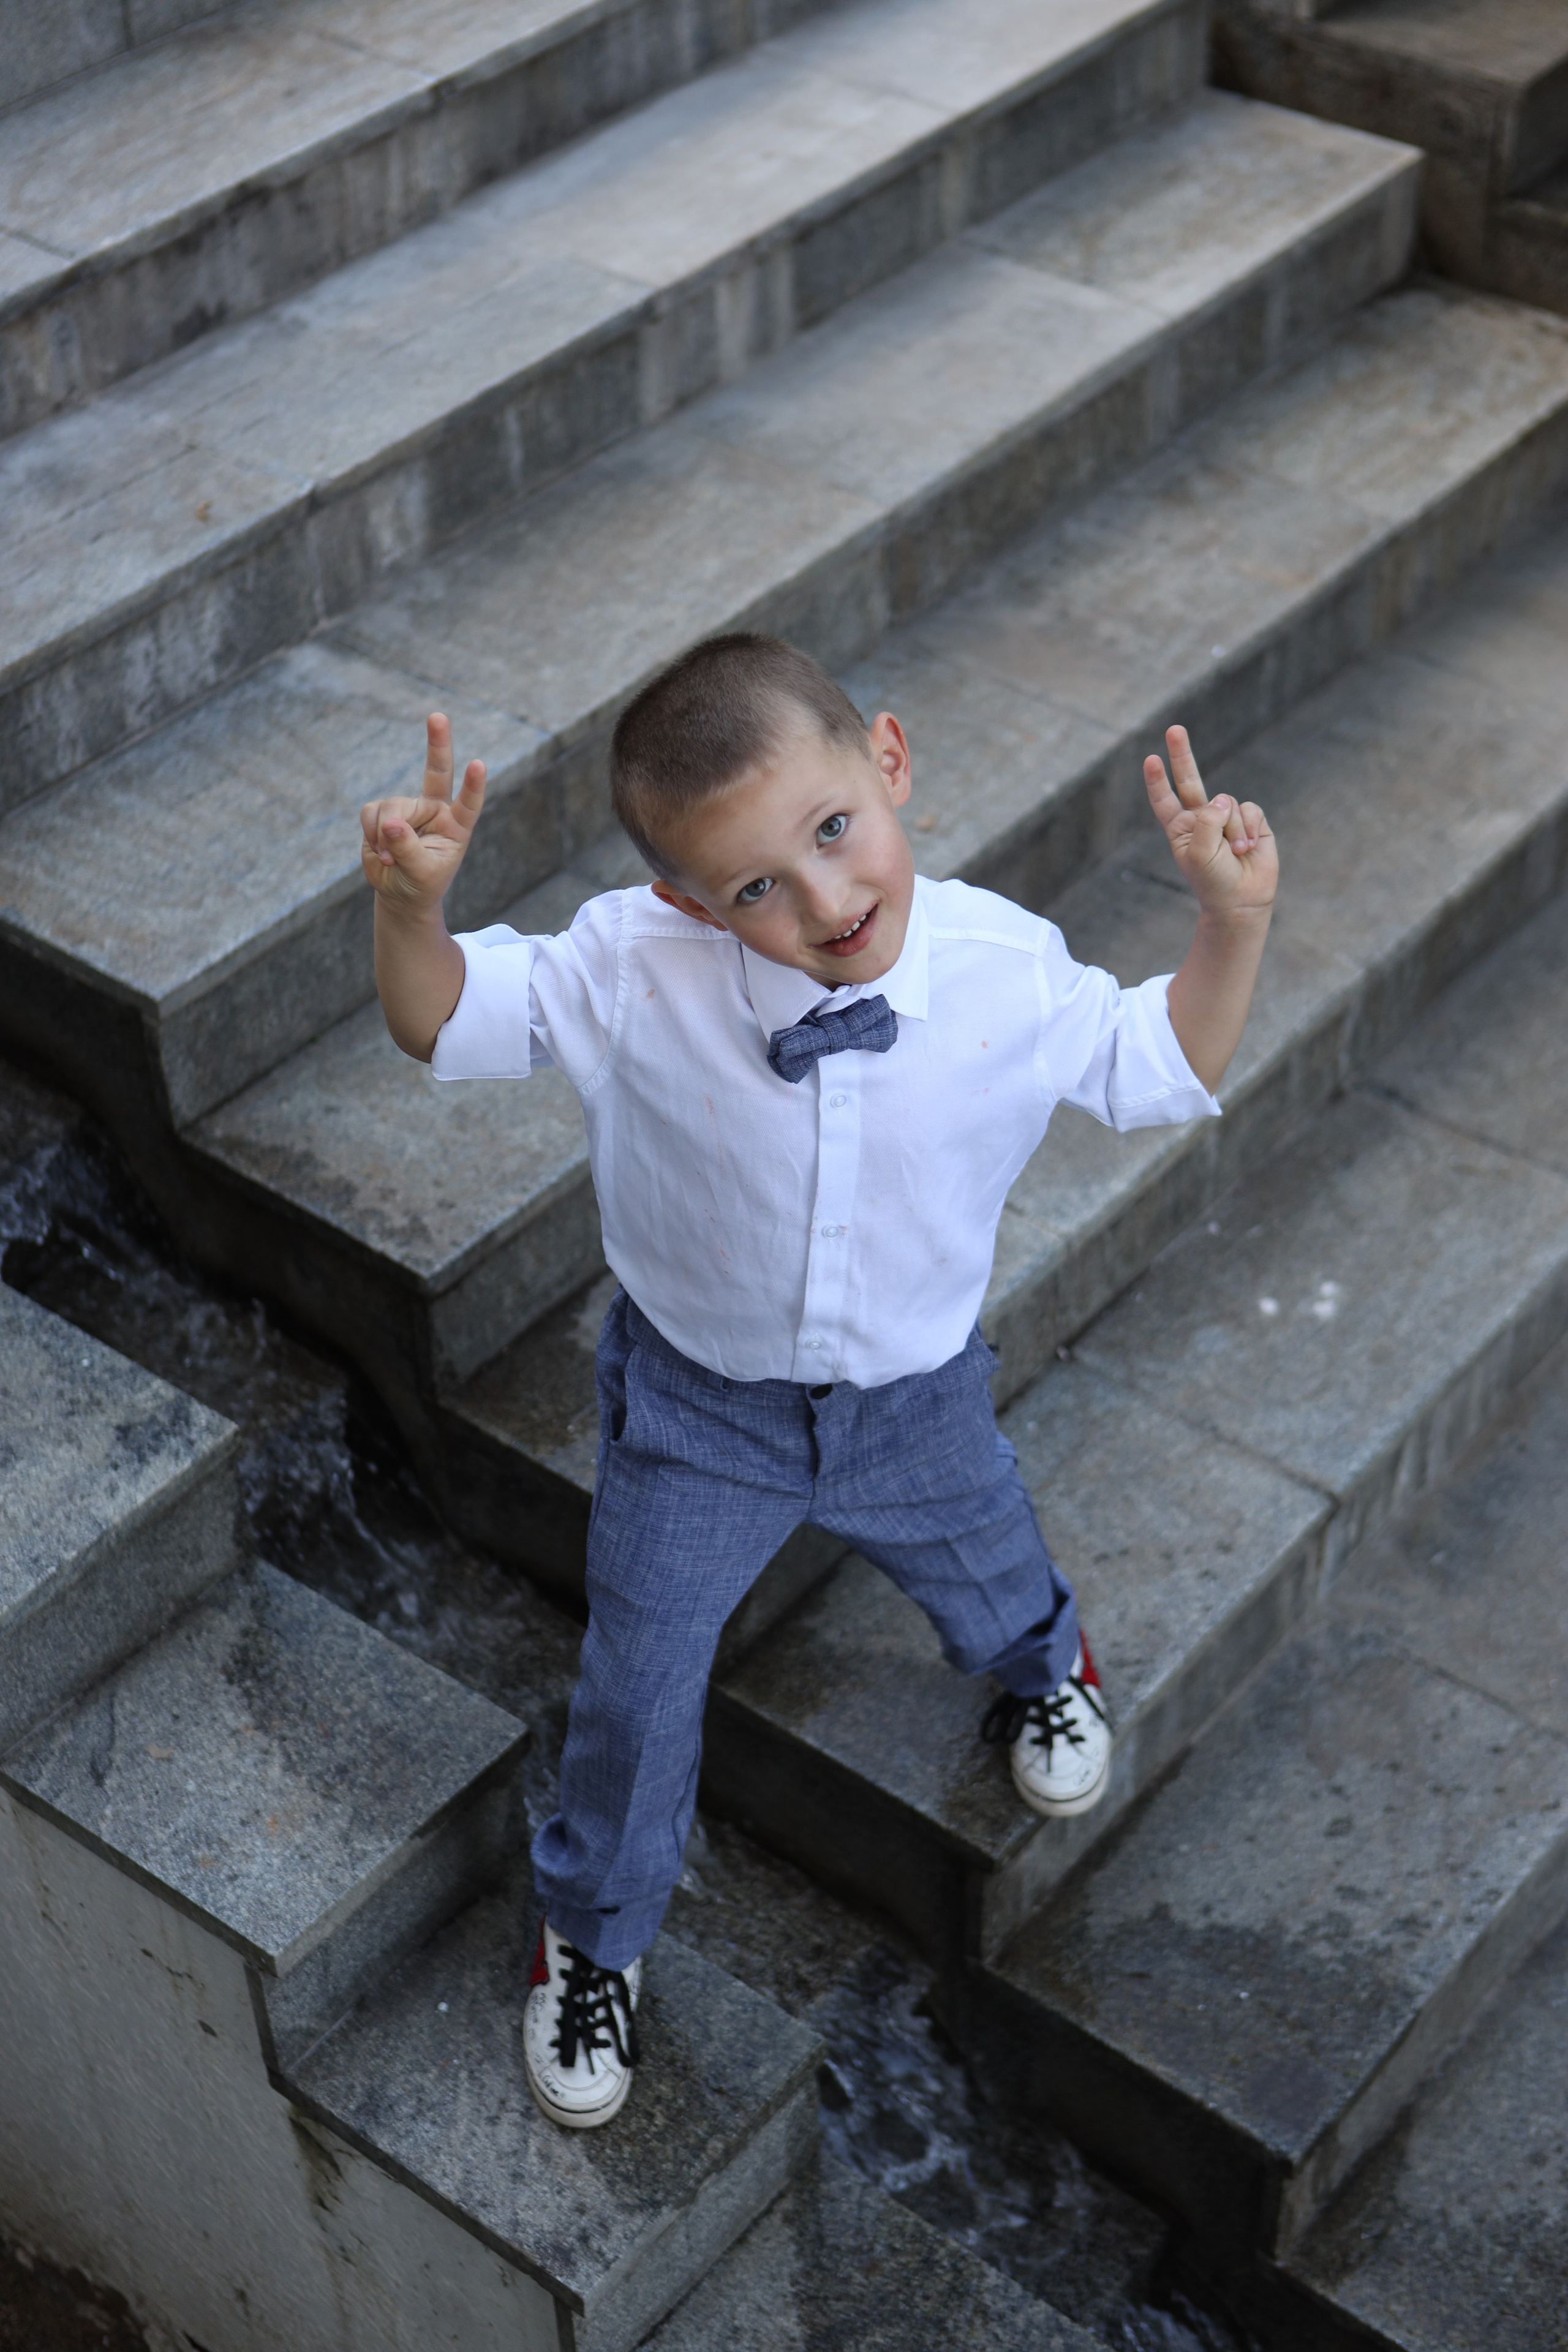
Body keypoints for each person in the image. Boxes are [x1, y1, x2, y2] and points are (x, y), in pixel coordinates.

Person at [360, 633, 1277, 2130]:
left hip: (912, 1400)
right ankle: (594, 1933)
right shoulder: (630, 968)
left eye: (833, 831)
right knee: (639, 1682)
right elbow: (438, 1016)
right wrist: (414, 910)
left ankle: (1046, 1666)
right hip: (695, 1416)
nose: (823, 900)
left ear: (890, 763)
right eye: (753, 889)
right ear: (685, 901)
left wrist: (1229, 925)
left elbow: (1154, 1062)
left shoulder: (994, 966)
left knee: (987, 1559)